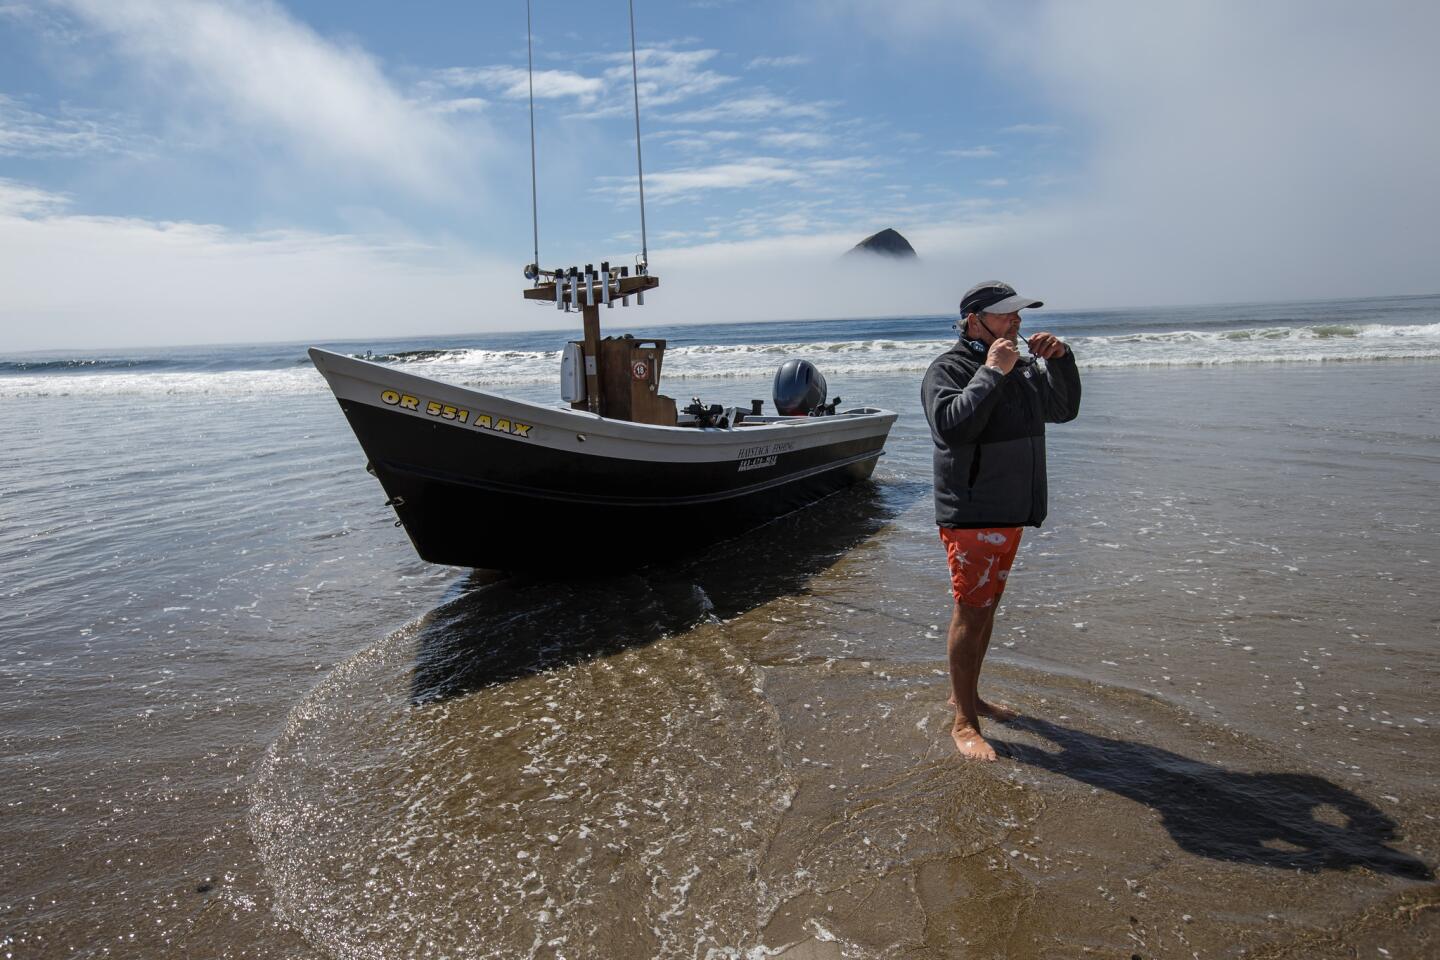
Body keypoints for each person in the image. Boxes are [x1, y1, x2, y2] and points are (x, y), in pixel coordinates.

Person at [921, 281, 1082, 760]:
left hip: (1010, 508)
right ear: (974, 320)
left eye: (1019, 315)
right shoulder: (948, 368)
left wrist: (1061, 361)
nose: (1016, 321)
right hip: (972, 511)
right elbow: (951, 425)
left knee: (986, 608)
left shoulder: (1022, 365)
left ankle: (966, 696)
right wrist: (991, 373)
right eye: (1006, 314)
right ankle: (964, 722)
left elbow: (1062, 410)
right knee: (971, 611)